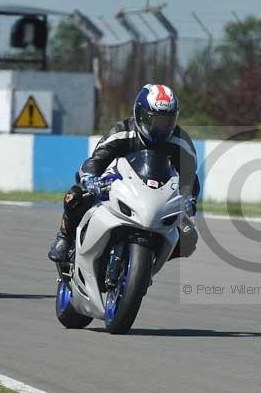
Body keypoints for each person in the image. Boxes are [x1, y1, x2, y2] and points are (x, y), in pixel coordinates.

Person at [48, 83, 199, 263]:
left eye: (166, 121)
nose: (160, 127)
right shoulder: (121, 132)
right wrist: (90, 178)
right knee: (75, 195)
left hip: (156, 198)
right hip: (115, 186)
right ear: (140, 115)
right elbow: (95, 161)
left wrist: (189, 198)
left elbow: (190, 178)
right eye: (154, 120)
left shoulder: (181, 143)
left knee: (189, 236)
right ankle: (64, 237)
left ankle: (149, 261)